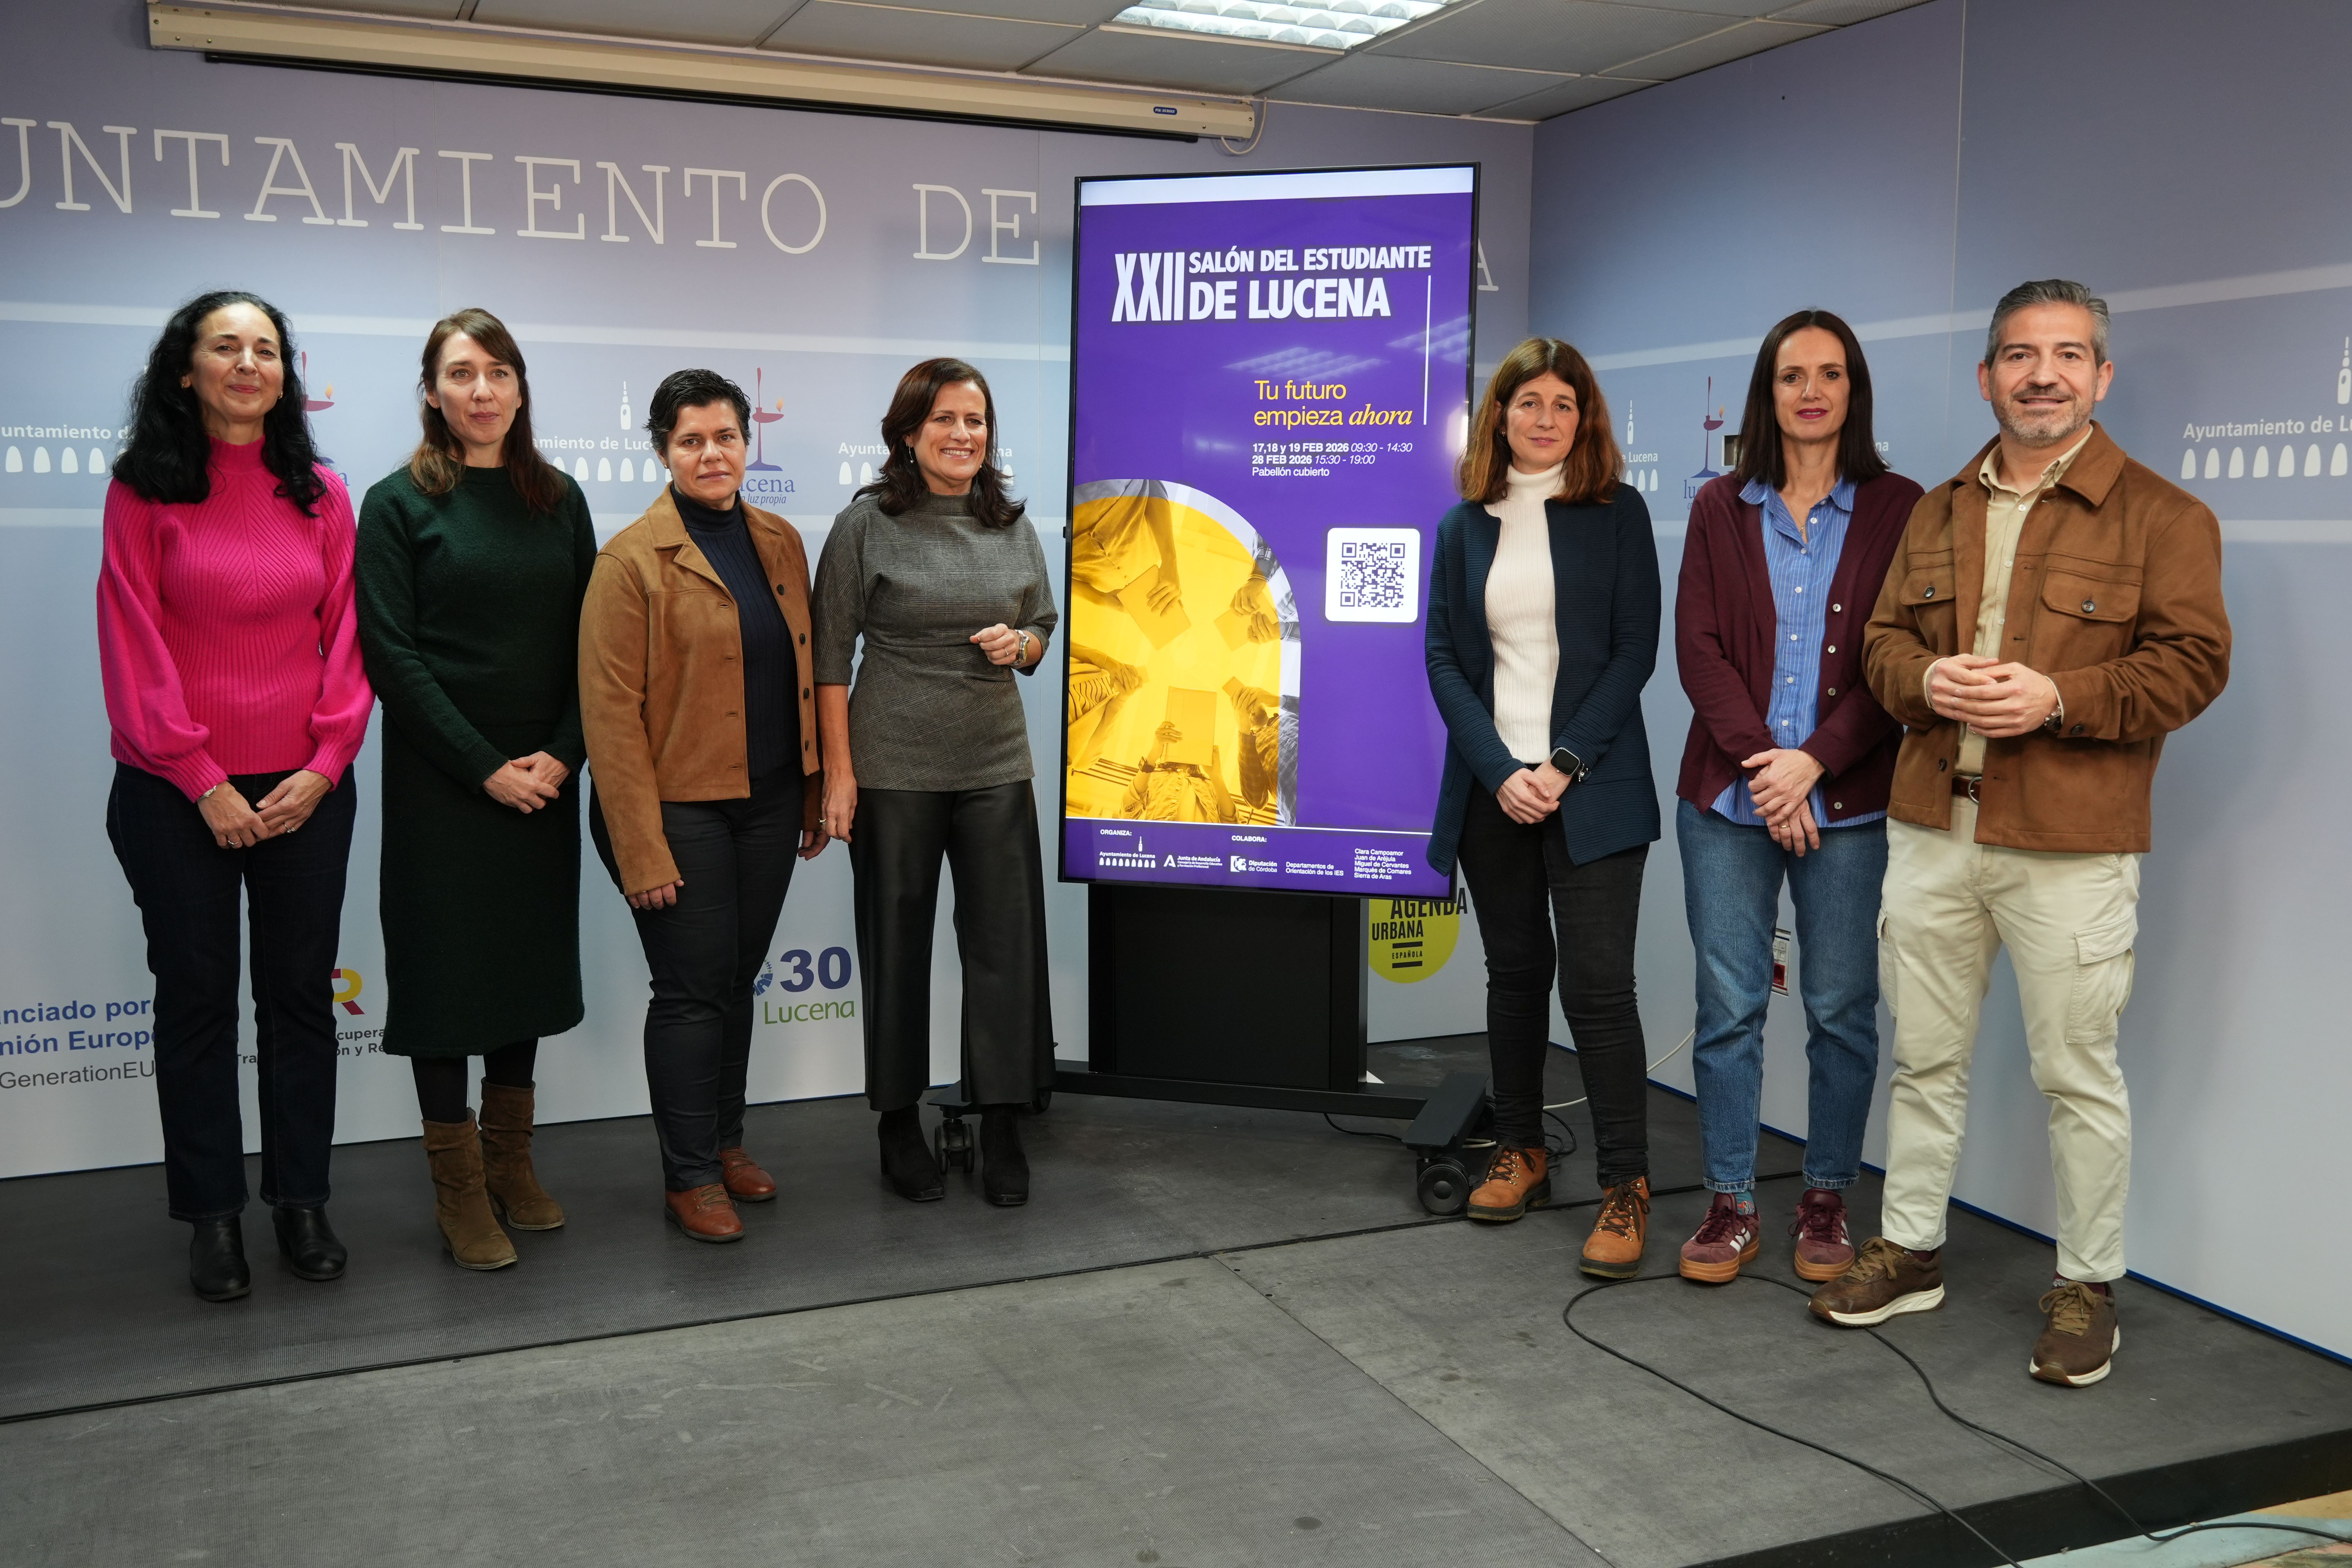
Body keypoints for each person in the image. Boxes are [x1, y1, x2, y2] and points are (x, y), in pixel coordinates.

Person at [1814, 280, 2230, 1388]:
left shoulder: (2167, 517)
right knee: (1925, 1061)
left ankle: (2088, 1284)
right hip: (1932, 832)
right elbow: (1885, 648)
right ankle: (1910, 1250)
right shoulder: (1937, 510)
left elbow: (2193, 667)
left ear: (2102, 375)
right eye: (2018, 354)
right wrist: (1925, 679)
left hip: (2073, 844)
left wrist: (2058, 701)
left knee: (2076, 1073)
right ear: (1987, 375)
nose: (2042, 372)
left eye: (2067, 354)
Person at [97, 290, 372, 1301]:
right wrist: (202, 778)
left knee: (301, 1000)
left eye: (266, 349)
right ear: (188, 370)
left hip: (306, 787)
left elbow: (351, 639)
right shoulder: (143, 492)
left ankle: (301, 1201)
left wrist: (325, 763)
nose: (249, 364)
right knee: (200, 1005)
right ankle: (213, 1217)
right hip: (175, 795)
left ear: (284, 375)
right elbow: (133, 646)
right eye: (227, 347)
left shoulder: (321, 493)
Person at [1672, 311, 1924, 1285]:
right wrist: (1768, 771)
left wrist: (1812, 763)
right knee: (1730, 1006)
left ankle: (1825, 1198)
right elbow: (1699, 651)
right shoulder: (1718, 505)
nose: (1809, 391)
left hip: (1849, 801)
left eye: (1829, 374)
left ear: (1853, 389)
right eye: (1790, 376)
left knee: (1841, 1008)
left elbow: (1899, 658)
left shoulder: (1902, 507)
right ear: (1766, 393)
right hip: (1728, 803)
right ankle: (1731, 1201)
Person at [357, 309, 597, 1271]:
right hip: (444, 784)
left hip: (543, 778)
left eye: (499, 372)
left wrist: (562, 757)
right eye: (462, 374)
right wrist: (483, 766)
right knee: (450, 982)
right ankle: (458, 1188)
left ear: (521, 387)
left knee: (522, 971)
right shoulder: (396, 503)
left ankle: (512, 1165)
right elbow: (392, 654)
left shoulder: (560, 498)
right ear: (432, 392)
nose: (483, 391)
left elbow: (597, 647)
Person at [1424, 337, 1663, 1278]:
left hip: (1591, 787)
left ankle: (1627, 1185)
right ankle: (1520, 1149)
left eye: (1565, 404)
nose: (1547, 418)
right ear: (1501, 415)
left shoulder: (1618, 513)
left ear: (1585, 419)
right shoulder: (1463, 525)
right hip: (1495, 792)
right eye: (1531, 402)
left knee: (1600, 994)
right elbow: (1444, 659)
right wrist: (1500, 768)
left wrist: (1560, 763)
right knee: (1515, 975)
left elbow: (1635, 651)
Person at [581, 370, 825, 1244]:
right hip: (674, 810)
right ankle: (687, 1178)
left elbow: (802, 676)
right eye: (691, 441)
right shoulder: (629, 560)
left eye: (725, 437)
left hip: (765, 804)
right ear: (662, 452)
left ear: (747, 443)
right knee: (689, 991)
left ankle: (725, 1145)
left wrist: (811, 789)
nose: (711, 454)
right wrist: (639, 848)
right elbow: (608, 720)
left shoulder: (780, 541)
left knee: (733, 982)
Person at [812, 358, 1058, 1208]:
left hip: (994, 759)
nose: (963, 435)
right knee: (895, 946)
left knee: (1005, 952)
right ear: (909, 432)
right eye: (946, 420)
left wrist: (1020, 647)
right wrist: (838, 774)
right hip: (892, 766)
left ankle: (1001, 1123)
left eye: (977, 421)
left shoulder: (1011, 522)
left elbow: (1040, 626)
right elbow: (829, 657)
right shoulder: (868, 524)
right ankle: (894, 1124)